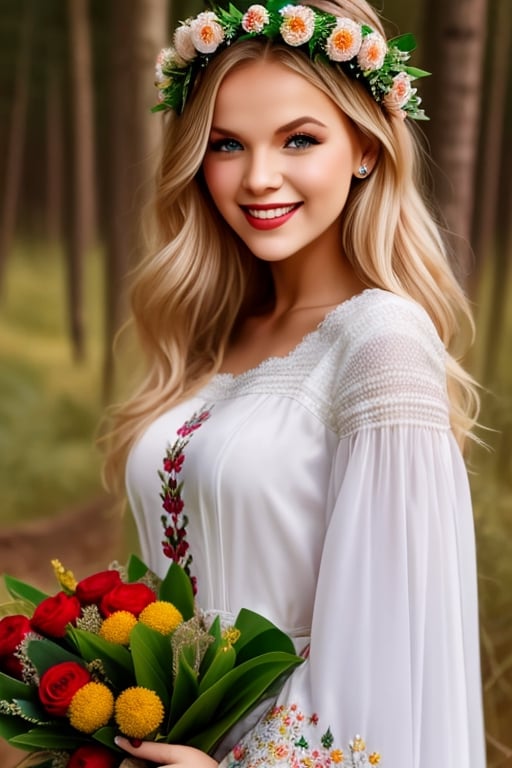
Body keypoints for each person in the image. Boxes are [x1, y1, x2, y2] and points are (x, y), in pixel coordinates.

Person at [106, 1, 486, 766]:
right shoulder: (215, 333)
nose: (258, 178)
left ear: (367, 149)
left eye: (299, 140)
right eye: (226, 145)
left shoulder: (381, 345)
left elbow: (388, 655)